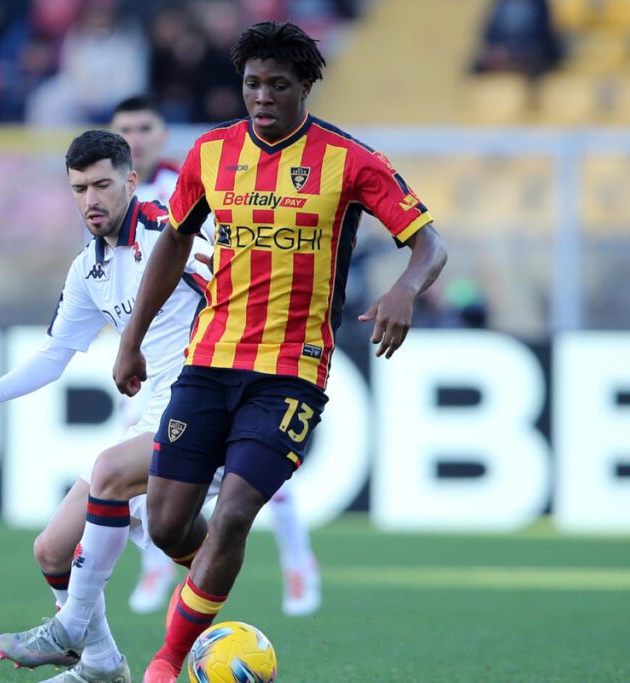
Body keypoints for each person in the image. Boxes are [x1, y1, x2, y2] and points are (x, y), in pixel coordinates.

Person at [111, 21, 447, 682]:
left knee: (234, 511)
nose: (261, 97)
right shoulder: (211, 154)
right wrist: (132, 338)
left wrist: (406, 288)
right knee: (168, 524)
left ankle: (166, 659)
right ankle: (213, 580)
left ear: (306, 87)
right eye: (251, 84)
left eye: (277, 85)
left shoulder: (350, 161)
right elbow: (174, 242)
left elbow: (429, 242)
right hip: (208, 364)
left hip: (291, 374)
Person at [0, 130, 212, 683]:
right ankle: (101, 664)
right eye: (79, 189)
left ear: (130, 180)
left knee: (118, 481)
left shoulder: (172, 232)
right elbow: (55, 355)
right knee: (51, 550)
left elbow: (228, 286)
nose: (90, 200)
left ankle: (74, 627)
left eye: (102, 185)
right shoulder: (89, 268)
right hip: (152, 414)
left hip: (204, 405)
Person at [111, 94, 322, 618]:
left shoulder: (192, 181)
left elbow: (205, 257)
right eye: (124, 130)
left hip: (214, 352)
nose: (134, 139)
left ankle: (298, 564)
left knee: (248, 474)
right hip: (151, 359)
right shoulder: (112, 198)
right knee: (156, 478)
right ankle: (159, 570)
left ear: (162, 135)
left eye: (144, 127)